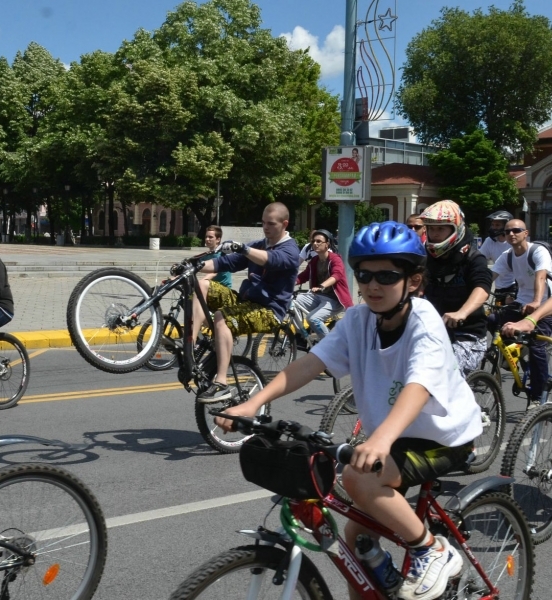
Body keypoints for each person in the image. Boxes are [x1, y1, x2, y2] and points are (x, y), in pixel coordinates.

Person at [216, 221, 482, 600]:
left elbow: (418, 386)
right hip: (391, 437)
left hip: (442, 436)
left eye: (387, 276)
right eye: (365, 275)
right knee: (357, 540)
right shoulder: (357, 320)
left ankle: (431, 550)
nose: (373, 286)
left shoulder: (425, 320)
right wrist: (253, 402)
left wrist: (382, 439)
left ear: (414, 281)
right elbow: (311, 364)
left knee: (360, 480)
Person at [190, 202, 299, 402]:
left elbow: (271, 260)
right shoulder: (260, 244)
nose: (266, 227)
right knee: (201, 286)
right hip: (247, 299)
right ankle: (193, 343)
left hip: (269, 310)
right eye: (263, 223)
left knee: (222, 318)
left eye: (271, 224)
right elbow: (226, 262)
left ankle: (222, 383)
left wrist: (244, 249)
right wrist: (194, 265)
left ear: (285, 224)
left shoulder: (291, 249)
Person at [420, 200, 491, 375]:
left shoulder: (473, 258)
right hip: (432, 330)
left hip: (467, 334)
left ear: (455, 229)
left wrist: (462, 313)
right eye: (431, 228)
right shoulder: (424, 256)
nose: (435, 234)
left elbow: (482, 287)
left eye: (441, 228)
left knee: (447, 376)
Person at [490, 218, 552, 408]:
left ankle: (537, 394)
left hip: (544, 305)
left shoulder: (537, 251)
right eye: (507, 231)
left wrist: (535, 301)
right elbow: (489, 277)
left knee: (536, 346)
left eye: (516, 230)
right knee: (492, 320)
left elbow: (541, 276)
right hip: (521, 302)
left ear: (526, 233)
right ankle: (513, 358)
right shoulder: (508, 255)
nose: (511, 234)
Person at [294, 229, 353, 340]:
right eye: (313, 241)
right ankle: (301, 335)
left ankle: (329, 346)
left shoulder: (335, 259)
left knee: (312, 319)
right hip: (318, 297)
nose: (315, 244)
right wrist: (288, 284)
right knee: (292, 301)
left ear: (327, 244)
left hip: (335, 300)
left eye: (318, 241)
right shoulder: (314, 261)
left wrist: (321, 286)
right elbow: (303, 276)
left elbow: (336, 276)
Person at [480, 210, 516, 304]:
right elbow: (480, 261)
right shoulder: (489, 241)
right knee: (496, 313)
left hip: (515, 286)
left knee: (511, 314)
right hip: (499, 287)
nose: (494, 228)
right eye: (493, 225)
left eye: (497, 225)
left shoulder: (512, 243)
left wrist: (514, 291)